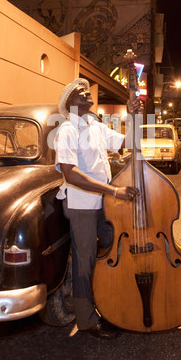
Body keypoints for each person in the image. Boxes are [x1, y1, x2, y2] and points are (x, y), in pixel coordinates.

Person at [54, 78, 142, 340]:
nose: (86, 92)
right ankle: (86, 320)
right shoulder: (67, 129)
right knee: (85, 261)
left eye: (87, 89)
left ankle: (109, 306)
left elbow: (130, 141)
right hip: (81, 205)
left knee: (115, 248)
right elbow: (71, 174)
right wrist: (114, 191)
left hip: (101, 203)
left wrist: (135, 114)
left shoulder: (94, 125)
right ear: (70, 103)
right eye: (80, 92)